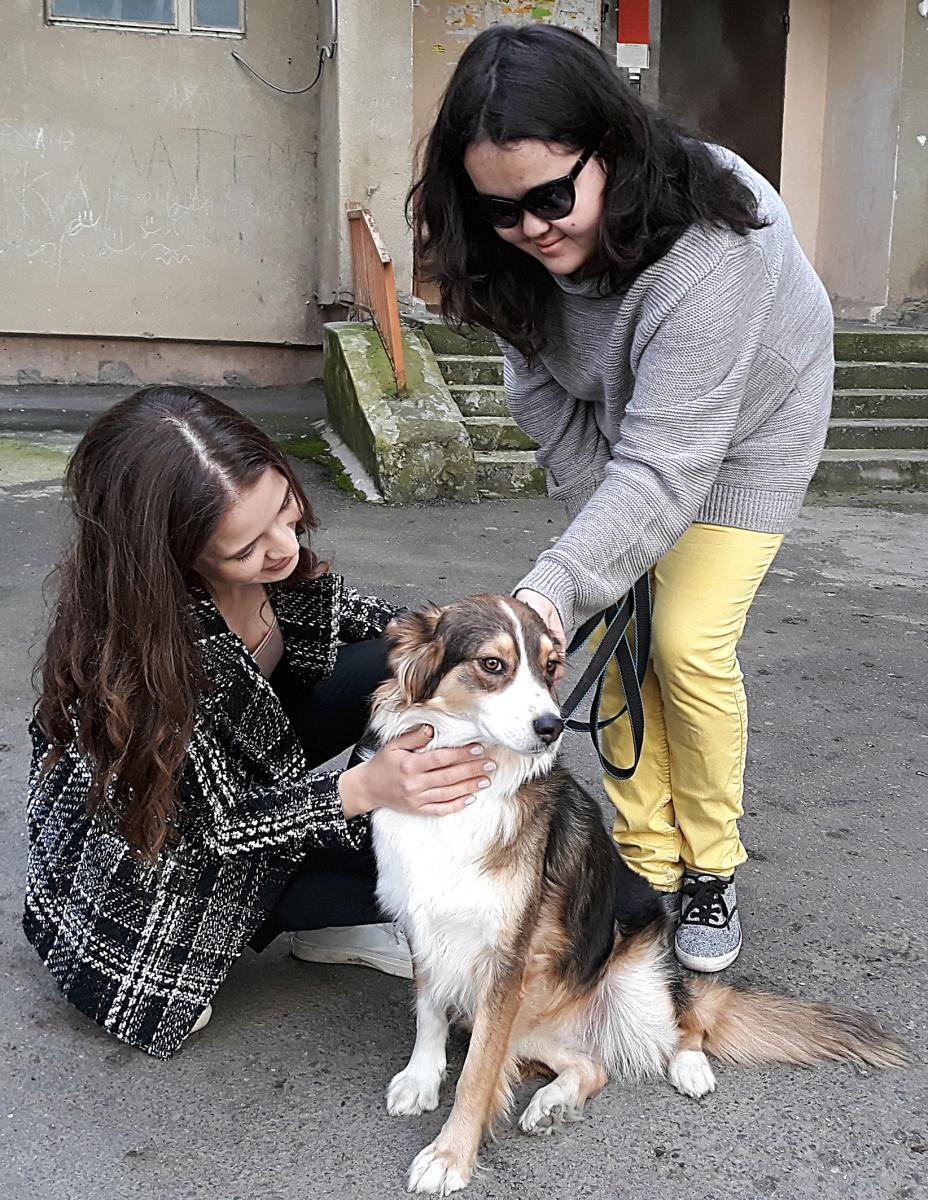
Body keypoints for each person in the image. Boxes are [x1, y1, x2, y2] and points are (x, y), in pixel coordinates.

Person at [409, 24, 834, 973]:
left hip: (749, 435)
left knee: (684, 640)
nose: (532, 228)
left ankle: (713, 868)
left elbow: (674, 461)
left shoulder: (716, 245)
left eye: (553, 197)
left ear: (612, 146)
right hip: (629, 435)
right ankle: (647, 858)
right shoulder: (511, 242)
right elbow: (541, 391)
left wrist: (551, 589)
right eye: (503, 211)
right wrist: (601, 562)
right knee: (620, 642)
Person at [24, 385, 496, 1058]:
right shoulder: (135, 662)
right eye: (248, 546)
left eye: (286, 510)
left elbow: (356, 620)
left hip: (244, 768)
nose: (283, 548)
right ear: (171, 556)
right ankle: (315, 924)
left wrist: (472, 645)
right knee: (426, 868)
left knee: (394, 663)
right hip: (164, 879)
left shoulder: (262, 559)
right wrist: (366, 790)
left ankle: (327, 910)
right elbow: (212, 830)